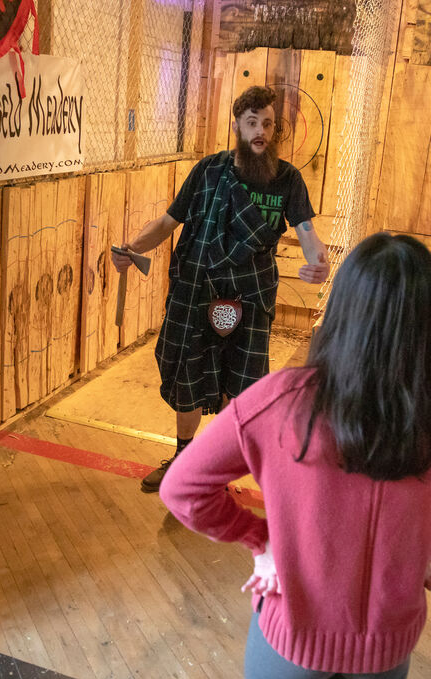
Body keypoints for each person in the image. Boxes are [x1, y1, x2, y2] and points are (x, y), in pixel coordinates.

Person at [159, 233, 431, 679]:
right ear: (428, 320)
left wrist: (260, 540)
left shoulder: (280, 400)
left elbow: (181, 488)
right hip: (385, 650)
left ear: (342, 306)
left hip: (293, 640)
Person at [112, 85, 330, 493]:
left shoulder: (288, 179)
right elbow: (166, 223)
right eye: (252, 123)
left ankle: (218, 468)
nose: (260, 132)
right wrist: (130, 249)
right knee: (188, 374)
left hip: (250, 295)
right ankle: (182, 460)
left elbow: (306, 231)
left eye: (267, 124)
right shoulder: (209, 171)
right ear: (237, 126)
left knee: (241, 382)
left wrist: (319, 261)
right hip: (197, 290)